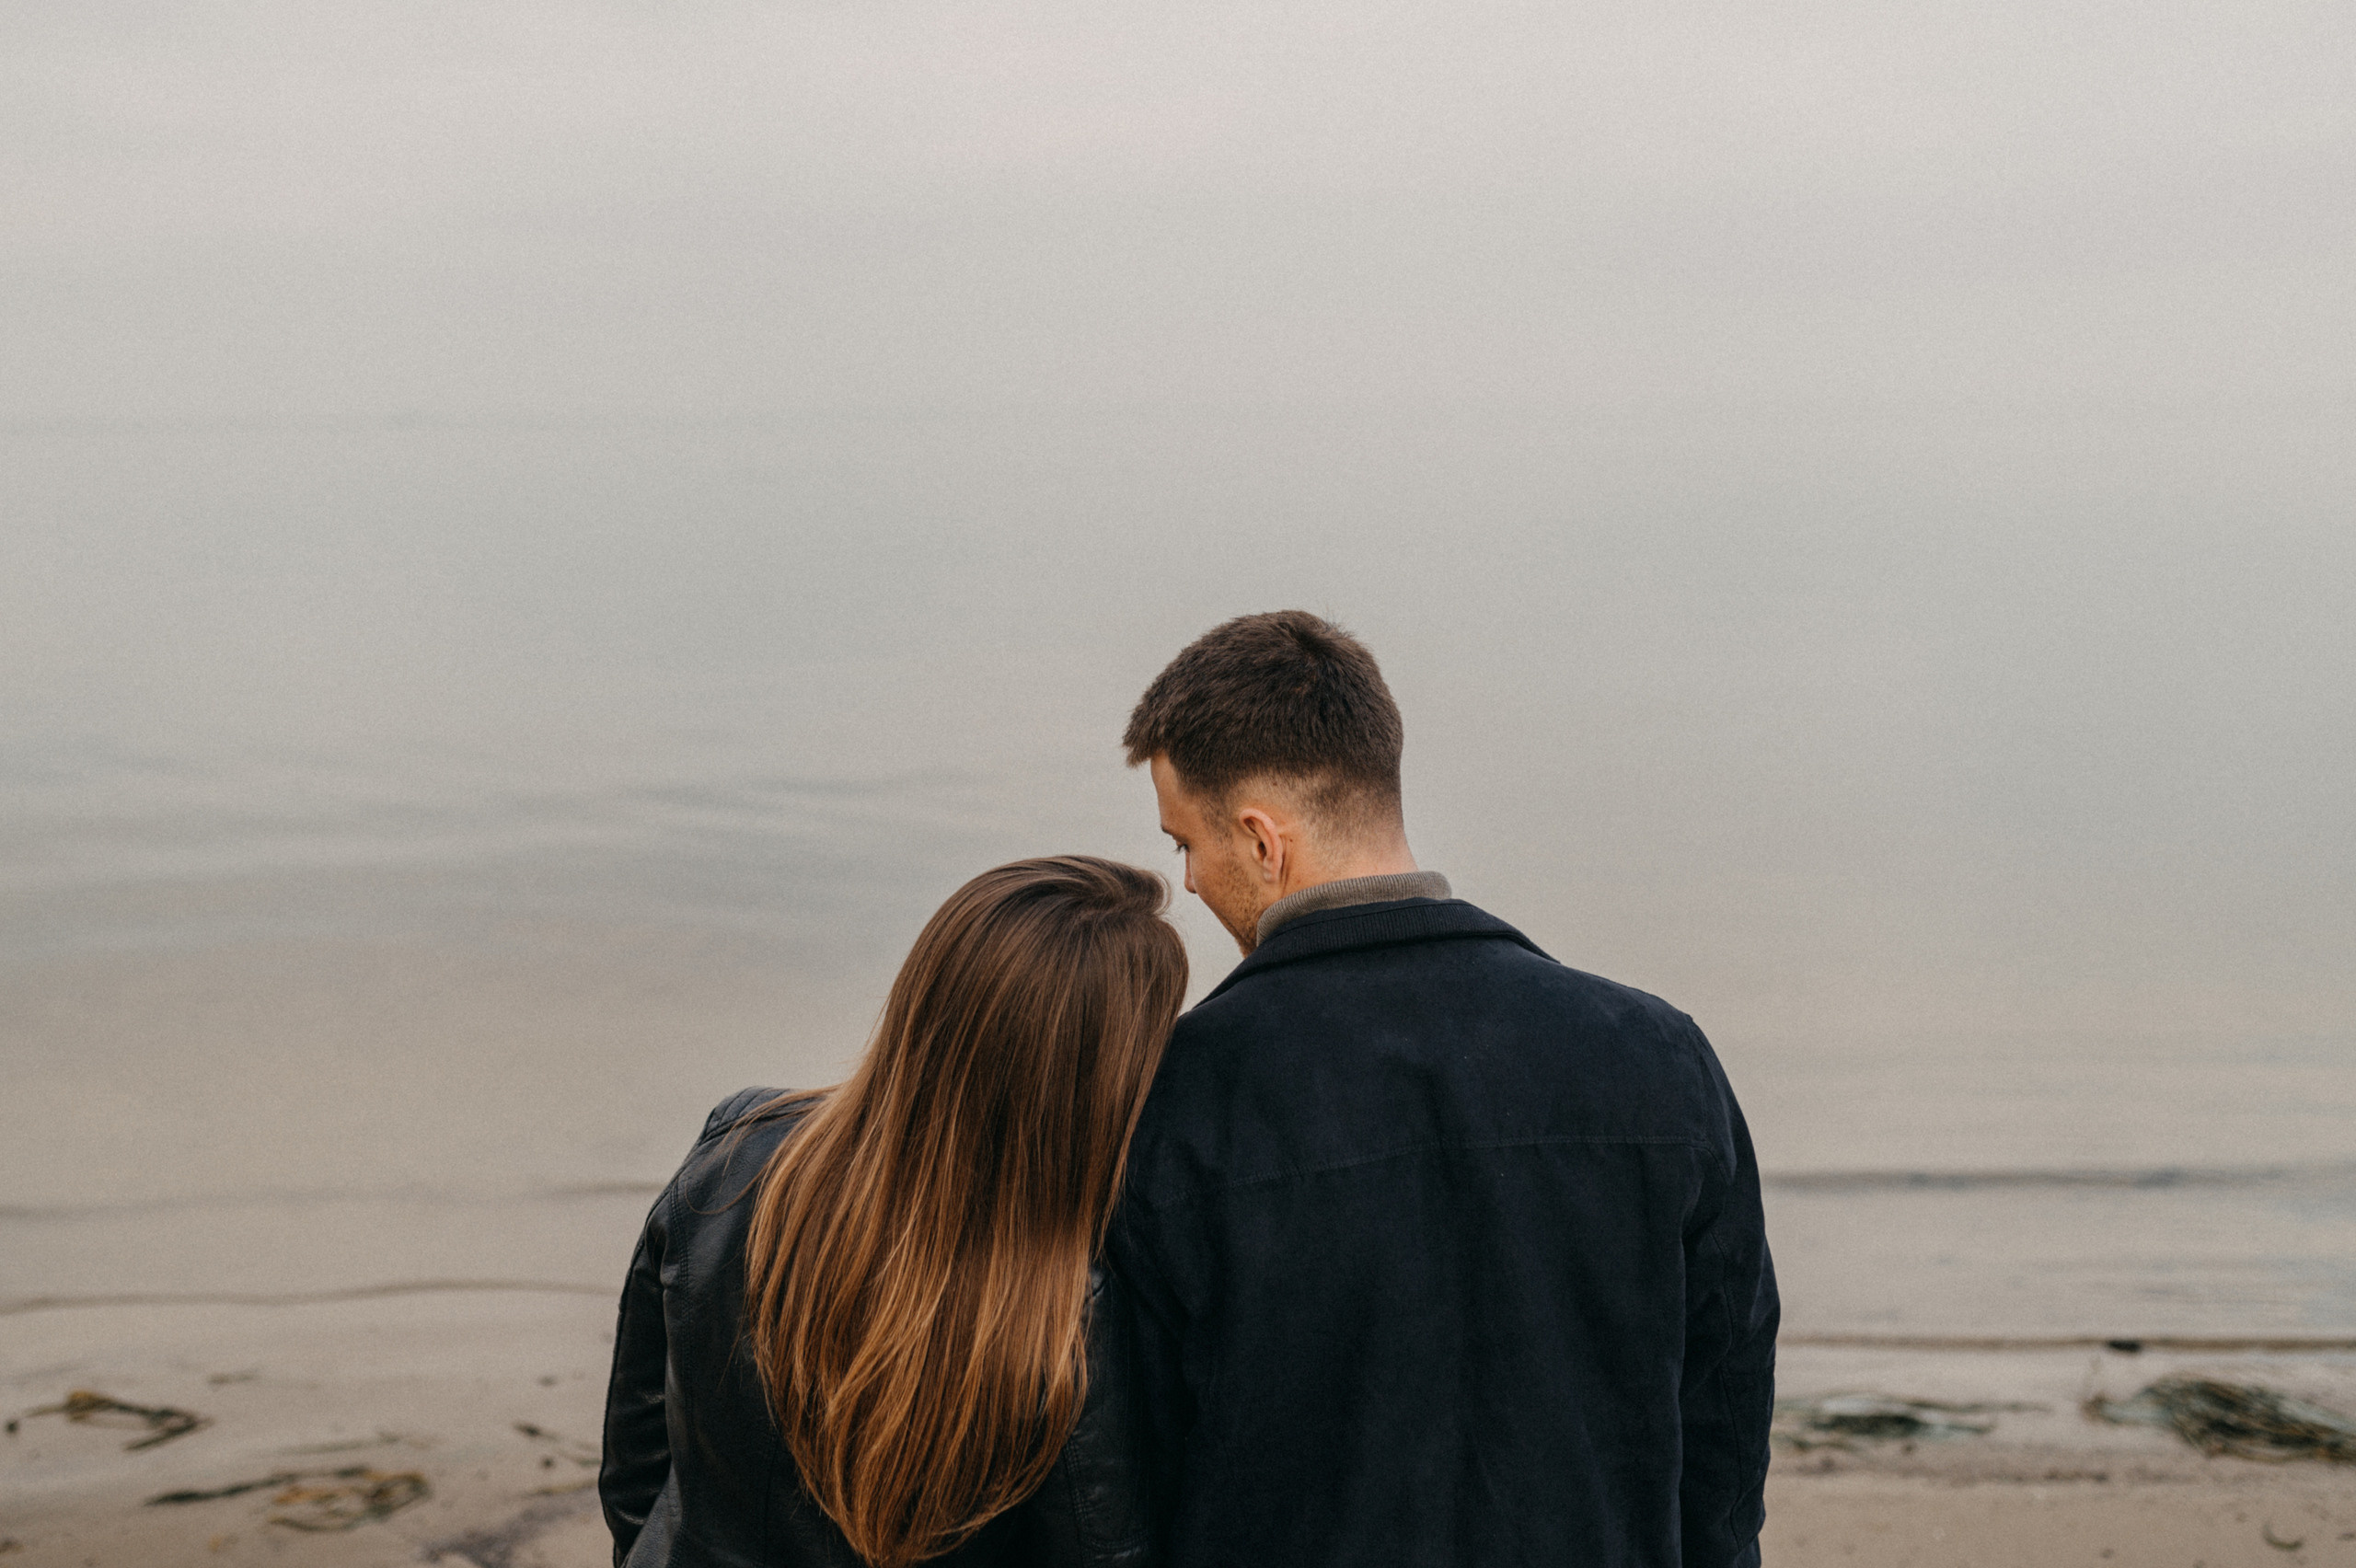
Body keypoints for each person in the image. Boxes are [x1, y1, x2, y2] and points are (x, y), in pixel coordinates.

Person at [1107, 611, 1778, 1567]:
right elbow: (1722, 1440)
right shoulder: (1659, 1060)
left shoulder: (1171, 1099)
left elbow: (1129, 1472)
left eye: (1186, 844)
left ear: (1262, 841)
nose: (1190, 880)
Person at [601, 856, 1186, 1568]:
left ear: (928, 995)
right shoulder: (1063, 1311)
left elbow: (635, 1457)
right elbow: (1101, 1553)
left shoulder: (736, 1157)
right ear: (1098, 1077)